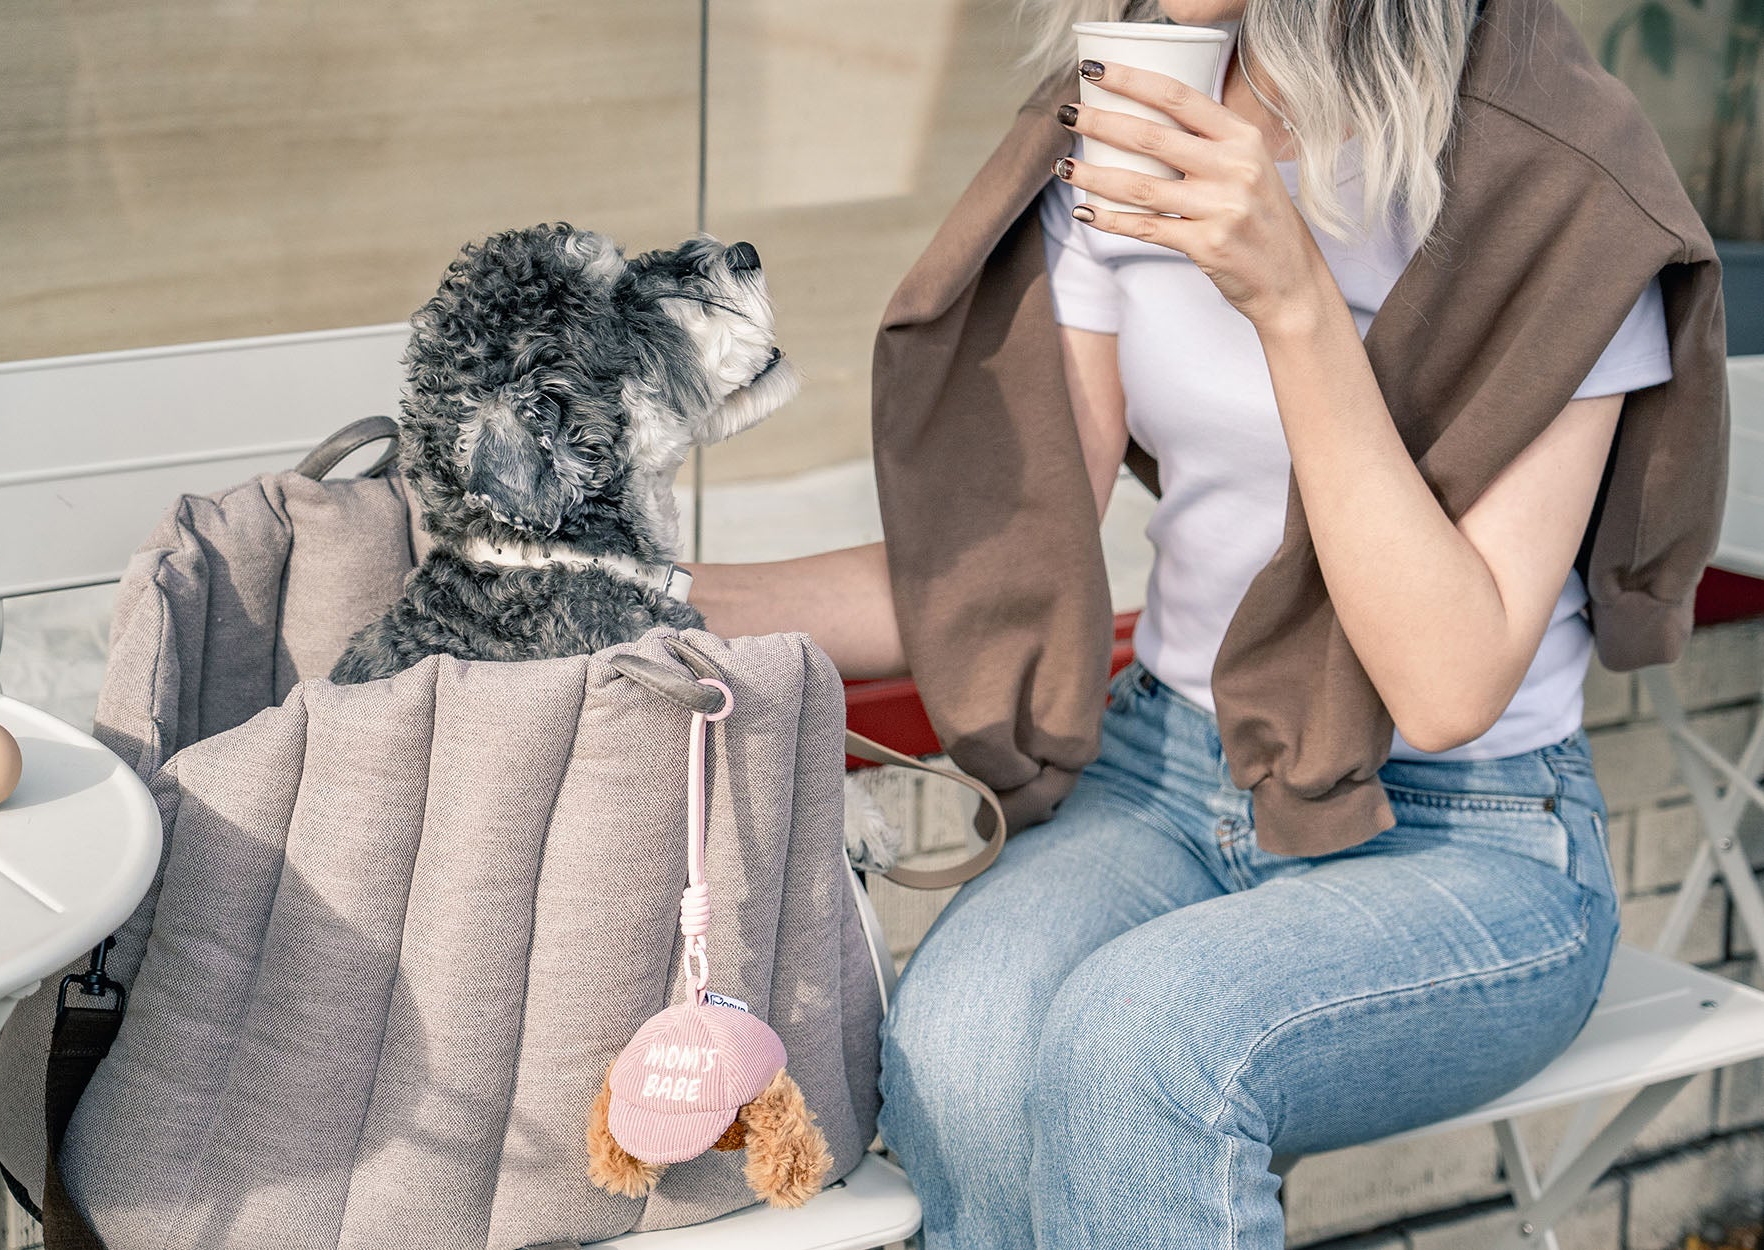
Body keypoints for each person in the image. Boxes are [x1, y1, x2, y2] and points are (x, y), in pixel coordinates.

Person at [688, 0, 1724, 1244]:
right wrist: (650, 596)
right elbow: (1010, 559)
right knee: (959, 1042)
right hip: (1166, 777)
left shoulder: (1551, 178)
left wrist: (1291, 297)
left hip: (1472, 832)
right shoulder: (1139, 106)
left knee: (1146, 1041)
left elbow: (1450, 683)